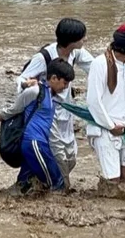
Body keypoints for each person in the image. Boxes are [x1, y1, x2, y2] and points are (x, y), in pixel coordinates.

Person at [12, 18, 94, 188]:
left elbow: (95, 68)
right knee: (58, 155)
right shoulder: (44, 57)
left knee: (70, 157)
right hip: (46, 113)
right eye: (82, 37)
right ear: (71, 40)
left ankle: (32, 183)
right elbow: (21, 79)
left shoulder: (76, 53)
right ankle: (60, 188)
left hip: (66, 112)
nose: (85, 39)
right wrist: (28, 84)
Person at [0, 59, 75, 193]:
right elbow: (13, 109)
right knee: (55, 181)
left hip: (40, 143)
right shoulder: (35, 91)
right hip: (34, 143)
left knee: (25, 183)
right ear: (53, 78)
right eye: (65, 83)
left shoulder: (53, 98)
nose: (65, 87)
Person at [86, 23, 125, 184]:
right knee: (112, 181)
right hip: (106, 129)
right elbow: (94, 101)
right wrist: (110, 125)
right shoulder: (100, 64)